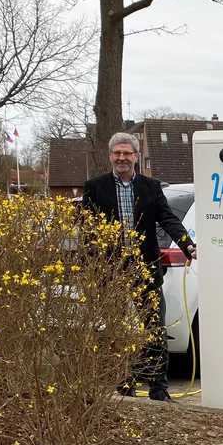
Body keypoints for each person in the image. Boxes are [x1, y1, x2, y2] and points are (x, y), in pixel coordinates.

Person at [81, 132, 195, 402]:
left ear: (135, 157)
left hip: (145, 267)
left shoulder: (151, 186)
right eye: (117, 153)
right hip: (112, 270)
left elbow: (168, 218)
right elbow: (87, 230)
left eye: (127, 153)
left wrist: (187, 244)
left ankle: (158, 389)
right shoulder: (95, 187)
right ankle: (125, 385)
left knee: (155, 328)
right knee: (116, 330)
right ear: (110, 156)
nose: (122, 158)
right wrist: (92, 267)